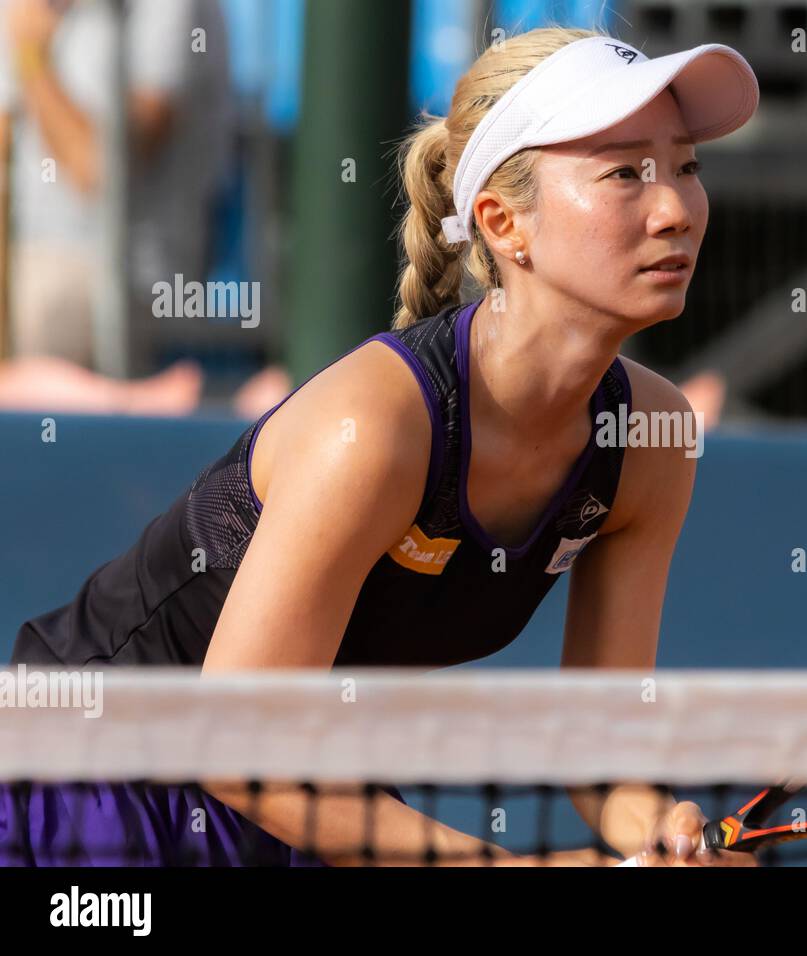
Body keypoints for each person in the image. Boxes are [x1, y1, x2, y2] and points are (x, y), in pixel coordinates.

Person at [0, 27, 760, 866]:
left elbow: (602, 751)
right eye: (625, 173)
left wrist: (661, 834)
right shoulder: (375, 430)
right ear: (505, 224)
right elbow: (232, 747)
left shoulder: (651, 442)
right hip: (86, 781)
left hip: (298, 789)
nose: (675, 209)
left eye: (685, 167)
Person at [0, 0, 233, 367]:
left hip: (135, 280)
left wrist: (32, 58)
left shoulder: (172, 9)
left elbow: (98, 171)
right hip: (31, 263)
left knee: (41, 310)